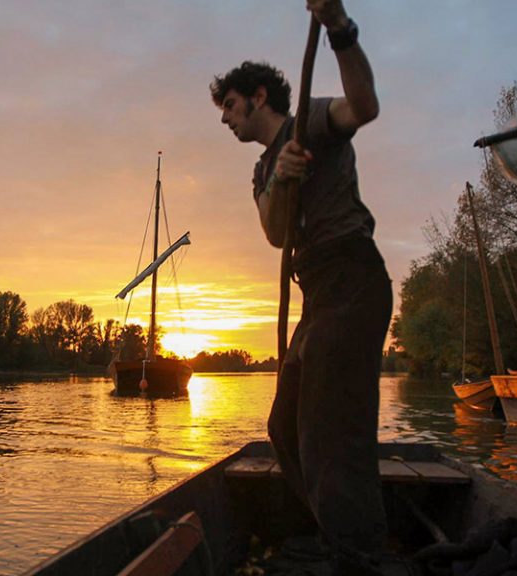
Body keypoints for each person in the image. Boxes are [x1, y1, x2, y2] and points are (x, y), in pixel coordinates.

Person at [210, 1, 392, 574]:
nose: (225, 119)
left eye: (231, 106)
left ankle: (358, 556)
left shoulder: (308, 121)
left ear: (259, 96)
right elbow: (273, 233)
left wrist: (339, 28)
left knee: (330, 429)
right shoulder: (264, 168)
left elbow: (365, 105)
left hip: (353, 279)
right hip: (317, 291)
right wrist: (283, 179)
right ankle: (334, 532)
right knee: (284, 426)